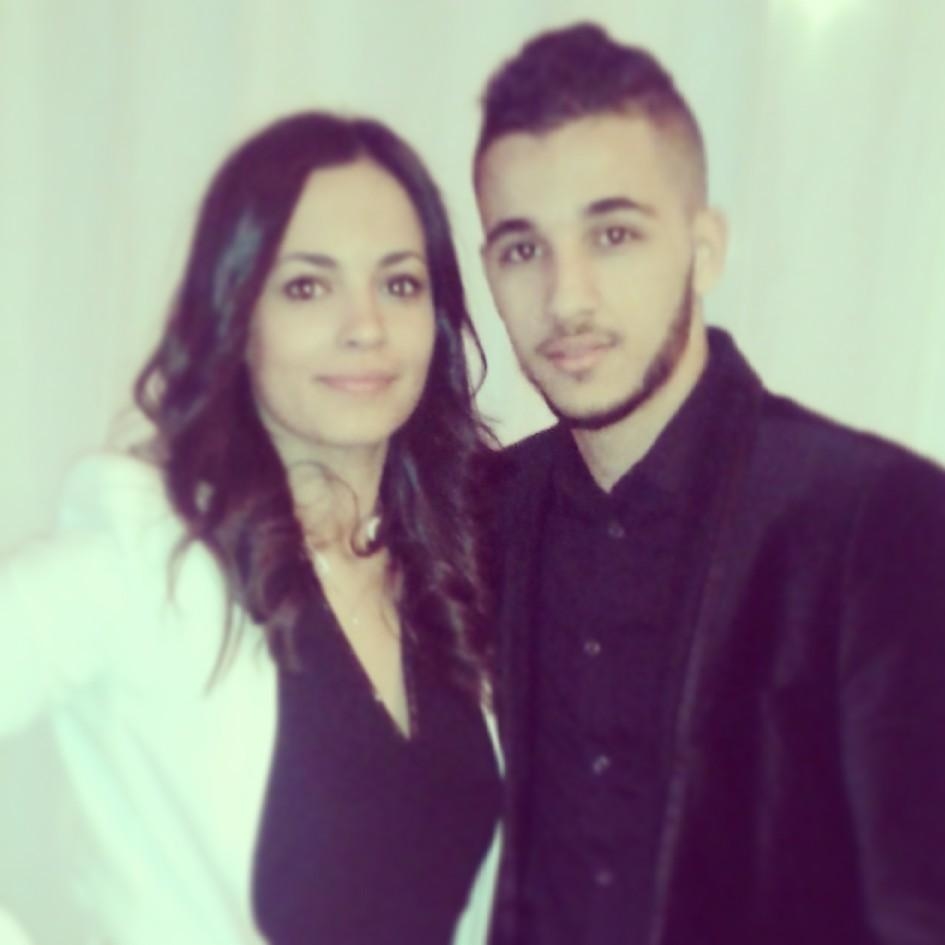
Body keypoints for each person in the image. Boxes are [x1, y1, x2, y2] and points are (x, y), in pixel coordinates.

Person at [473, 22, 945, 945]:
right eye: (522, 248)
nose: (567, 297)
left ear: (705, 248)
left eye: (613, 233)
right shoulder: (476, 514)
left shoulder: (879, 517)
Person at [0, 111, 503, 945]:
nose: (366, 325)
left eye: (399, 283)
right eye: (307, 286)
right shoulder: (145, 552)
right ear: (239, 316)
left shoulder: (456, 575)